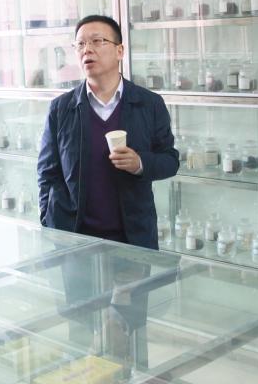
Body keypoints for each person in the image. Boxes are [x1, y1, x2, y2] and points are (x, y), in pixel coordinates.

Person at [38, 14, 179, 249]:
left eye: (97, 41)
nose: (87, 50)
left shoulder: (149, 104)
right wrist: (48, 218)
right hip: (74, 238)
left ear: (119, 51)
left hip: (132, 239)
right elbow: (47, 173)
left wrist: (140, 163)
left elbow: (170, 161)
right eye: (80, 44)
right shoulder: (61, 109)